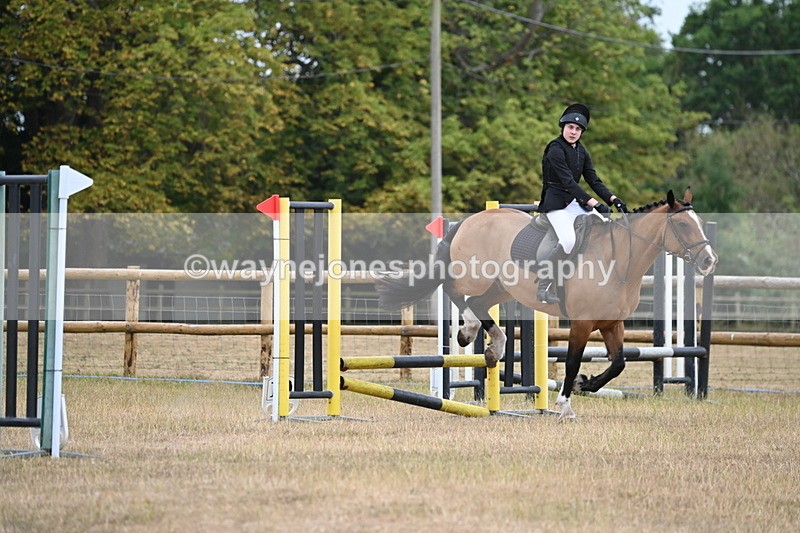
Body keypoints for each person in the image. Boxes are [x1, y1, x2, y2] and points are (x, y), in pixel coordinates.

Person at [537, 103, 628, 304]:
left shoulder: (581, 152)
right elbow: (568, 182)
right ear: (563, 127)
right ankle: (544, 285)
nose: (573, 132)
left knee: (605, 228)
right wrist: (595, 204)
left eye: (578, 129)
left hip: (574, 203)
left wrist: (613, 199)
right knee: (568, 241)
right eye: (570, 127)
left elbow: (593, 180)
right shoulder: (555, 149)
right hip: (555, 203)